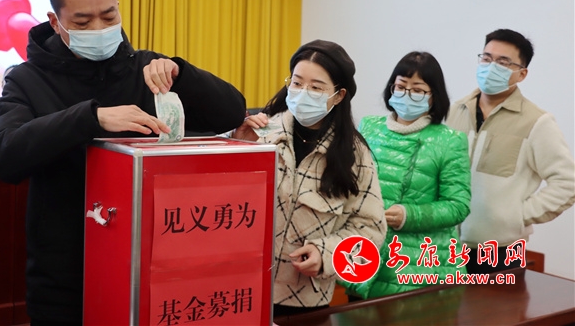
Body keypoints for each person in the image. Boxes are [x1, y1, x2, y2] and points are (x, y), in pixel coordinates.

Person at [0, 0, 246, 326]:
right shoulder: (27, 80)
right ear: (56, 21)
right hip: (65, 277)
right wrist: (91, 118)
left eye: (109, 17)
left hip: (148, 264)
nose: (99, 28)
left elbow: (231, 113)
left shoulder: (148, 69)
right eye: (82, 22)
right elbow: (3, 154)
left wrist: (182, 73)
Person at [232, 40, 386, 317]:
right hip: (240, 289)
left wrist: (326, 254)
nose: (303, 93)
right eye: (297, 83)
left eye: (316, 88)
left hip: (304, 301)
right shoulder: (260, 131)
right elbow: (218, 199)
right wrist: (237, 146)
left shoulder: (355, 155)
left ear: (338, 95)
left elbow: (370, 229)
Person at [342, 51, 471, 300]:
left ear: (434, 96)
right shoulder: (369, 127)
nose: (407, 94)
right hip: (364, 252)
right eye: (401, 86)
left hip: (420, 264)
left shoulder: (450, 140)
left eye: (418, 90)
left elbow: (458, 205)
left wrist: (410, 215)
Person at [446, 29, 575, 274]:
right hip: (445, 246)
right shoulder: (453, 112)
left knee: (493, 303)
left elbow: (568, 182)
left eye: (503, 62)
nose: (491, 67)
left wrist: (517, 216)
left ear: (521, 73)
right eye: (486, 58)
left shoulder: (537, 122)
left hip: (500, 252)